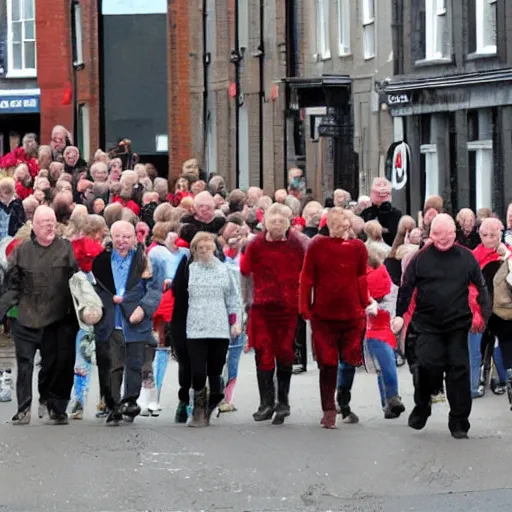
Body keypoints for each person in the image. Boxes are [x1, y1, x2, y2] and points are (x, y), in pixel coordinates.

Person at [394, 214, 491, 439]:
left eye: (447, 235)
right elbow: (406, 287)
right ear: (431, 235)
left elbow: (481, 286)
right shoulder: (420, 258)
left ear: (454, 234)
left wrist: (484, 315)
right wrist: (399, 315)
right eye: (437, 235)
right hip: (427, 324)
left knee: (459, 369)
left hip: (457, 323)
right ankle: (423, 405)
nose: (442, 239)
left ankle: (459, 421)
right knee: (427, 366)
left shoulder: (466, 258)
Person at [0, 205, 79, 425]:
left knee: (52, 364)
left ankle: (50, 402)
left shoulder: (65, 248)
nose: (50, 226)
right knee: (24, 363)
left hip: (55, 318)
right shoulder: (21, 251)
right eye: (45, 223)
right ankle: (23, 408)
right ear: (34, 226)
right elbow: (11, 286)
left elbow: (76, 280)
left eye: (52, 222)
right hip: (25, 316)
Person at [299, 207, 373, 429]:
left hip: (352, 315)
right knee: (328, 364)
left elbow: (361, 277)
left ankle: (344, 398)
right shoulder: (317, 246)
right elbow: (307, 277)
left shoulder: (358, 248)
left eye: (346, 225)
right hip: (324, 316)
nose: (343, 229)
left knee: (350, 361)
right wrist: (305, 307)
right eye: (339, 225)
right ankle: (328, 410)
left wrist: (365, 302)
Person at [91, 220, 163, 425]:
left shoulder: (144, 261)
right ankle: (113, 405)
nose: (121, 241)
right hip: (111, 319)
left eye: (126, 237)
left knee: (134, 364)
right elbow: (95, 290)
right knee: (114, 365)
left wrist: (144, 309)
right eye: (118, 237)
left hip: (135, 319)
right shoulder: (101, 261)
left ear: (134, 238)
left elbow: (154, 290)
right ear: (111, 238)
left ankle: (130, 401)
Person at [241, 203, 306, 425]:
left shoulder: (296, 244)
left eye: (282, 220)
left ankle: (283, 402)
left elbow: (306, 271)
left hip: (288, 307)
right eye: (273, 220)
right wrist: (246, 302)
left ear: (288, 223)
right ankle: (266, 403)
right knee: (264, 353)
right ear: (266, 222)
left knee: (285, 353)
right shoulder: (256, 244)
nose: (277, 224)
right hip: (262, 307)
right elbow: (245, 271)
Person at [172, 232, 241, 427]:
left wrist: (235, 322)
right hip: (195, 327)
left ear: (214, 249)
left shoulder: (224, 270)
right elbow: (180, 298)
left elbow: (232, 298)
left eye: (207, 248)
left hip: (219, 326)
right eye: (199, 248)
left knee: (216, 370)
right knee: (198, 370)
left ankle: (214, 399)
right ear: (194, 250)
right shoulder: (190, 270)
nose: (203, 251)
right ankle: (198, 410)